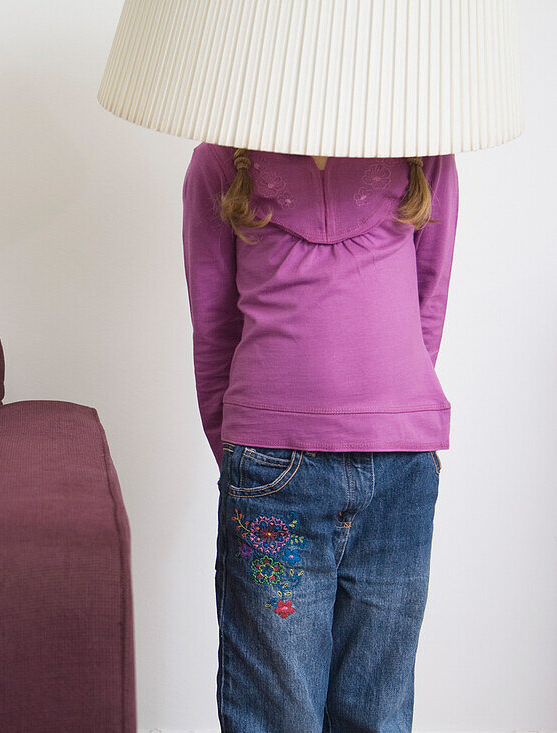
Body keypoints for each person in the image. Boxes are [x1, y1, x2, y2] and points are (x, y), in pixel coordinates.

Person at [183, 144, 457, 731]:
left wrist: (388, 413)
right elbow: (212, 324)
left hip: (401, 470)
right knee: (273, 703)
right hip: (271, 468)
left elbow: (427, 305)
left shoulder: (424, 151)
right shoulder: (222, 159)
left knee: (377, 705)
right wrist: (240, 450)